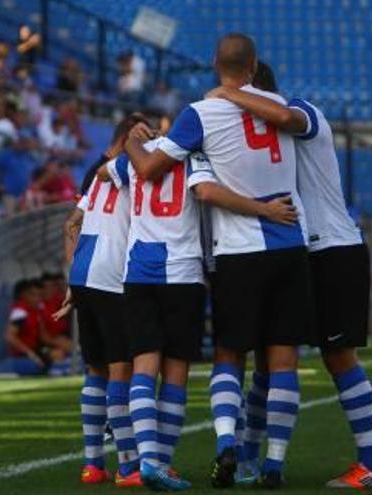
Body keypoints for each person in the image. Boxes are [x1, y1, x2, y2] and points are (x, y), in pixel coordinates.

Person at [124, 34, 311, 489]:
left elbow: (149, 170)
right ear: (254, 66)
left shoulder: (200, 114)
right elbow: (292, 123)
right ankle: (273, 464)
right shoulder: (283, 105)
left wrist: (132, 141)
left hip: (238, 251)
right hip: (289, 242)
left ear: (215, 65)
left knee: (230, 355)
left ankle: (227, 443)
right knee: (283, 359)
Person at [208, 65, 372, 488]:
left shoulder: (301, 112)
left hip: (332, 247)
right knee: (268, 358)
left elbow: (288, 120)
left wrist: (229, 94)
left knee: (338, 356)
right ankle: (252, 459)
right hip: (294, 251)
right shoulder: (257, 137)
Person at [101, 128, 208, 490]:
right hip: (184, 271)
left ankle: (145, 460)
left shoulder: (135, 156)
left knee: (144, 369)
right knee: (175, 374)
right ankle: (162, 462)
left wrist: (133, 143)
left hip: (140, 270)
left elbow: (102, 174)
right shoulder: (194, 154)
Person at [55, 114, 148, 487]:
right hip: (112, 275)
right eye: (146, 136)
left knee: (95, 369)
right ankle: (128, 465)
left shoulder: (97, 173)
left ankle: (93, 463)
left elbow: (70, 224)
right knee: (120, 368)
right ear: (131, 137)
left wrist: (73, 275)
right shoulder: (129, 169)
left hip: (85, 273)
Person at [3, 279, 68, 375]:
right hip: (22, 355)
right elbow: (9, 336)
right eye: (33, 295)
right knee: (54, 356)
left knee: (60, 352)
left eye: (39, 295)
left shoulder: (38, 310)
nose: (37, 298)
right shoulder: (20, 313)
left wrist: (60, 342)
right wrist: (30, 353)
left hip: (36, 349)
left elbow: (43, 336)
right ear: (24, 295)